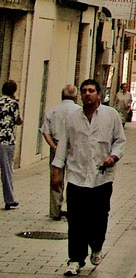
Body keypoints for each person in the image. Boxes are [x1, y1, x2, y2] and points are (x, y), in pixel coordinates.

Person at [53, 78, 126, 276]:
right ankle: (75, 259)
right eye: (84, 90)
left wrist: (113, 156)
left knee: (99, 217)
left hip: (102, 177)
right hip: (77, 176)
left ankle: (96, 245)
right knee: (76, 219)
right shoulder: (72, 117)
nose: (87, 94)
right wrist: (57, 171)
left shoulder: (111, 115)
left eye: (91, 90)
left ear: (99, 95)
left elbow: (120, 141)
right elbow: (62, 145)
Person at [41, 84, 80, 220]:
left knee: (56, 178)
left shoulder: (53, 111)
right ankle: (72, 209)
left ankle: (55, 211)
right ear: (75, 96)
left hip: (56, 145)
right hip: (73, 148)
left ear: (62, 95)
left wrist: (54, 146)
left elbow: (45, 131)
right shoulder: (79, 111)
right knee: (74, 178)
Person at [0, 80, 23, 209]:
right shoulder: (14, 104)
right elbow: (18, 120)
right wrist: (17, 100)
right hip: (7, 140)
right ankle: (9, 199)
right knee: (6, 170)